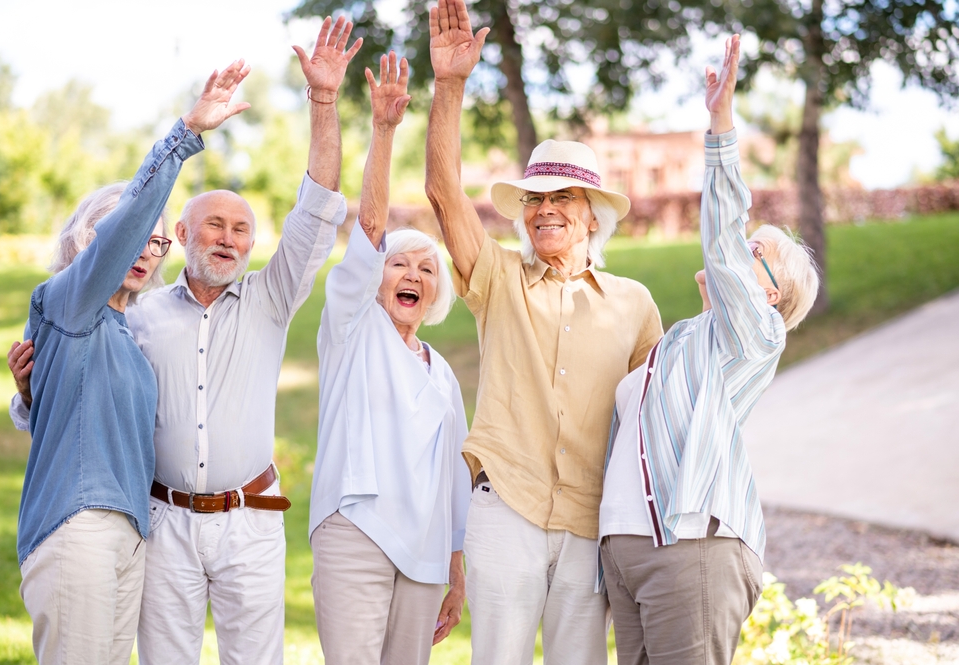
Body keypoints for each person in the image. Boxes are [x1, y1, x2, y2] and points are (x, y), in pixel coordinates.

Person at [8, 17, 360, 664]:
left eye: (242, 229)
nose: (229, 237)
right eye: (213, 225)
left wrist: (324, 102)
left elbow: (317, 207)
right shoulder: (131, 317)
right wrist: (32, 391)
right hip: (160, 521)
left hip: (250, 515)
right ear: (185, 234)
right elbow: (81, 400)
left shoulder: (269, 298)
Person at [424, 0, 663, 661]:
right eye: (535, 198)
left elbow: (654, 421)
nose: (546, 208)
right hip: (507, 508)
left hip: (592, 521)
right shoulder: (498, 279)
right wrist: (449, 87)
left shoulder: (635, 304)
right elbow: (444, 194)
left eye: (563, 198)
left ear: (593, 219)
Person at [9, 61, 249, 665]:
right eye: (129, 234)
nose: (145, 247)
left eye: (157, 240)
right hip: (78, 528)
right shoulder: (69, 296)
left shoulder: (122, 328)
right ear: (88, 239)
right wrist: (184, 135)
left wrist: (32, 395)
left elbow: (74, 417)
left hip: (129, 534)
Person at [597, 35, 820, 665]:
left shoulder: (754, 335)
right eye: (749, 244)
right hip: (630, 554)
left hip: (691, 550)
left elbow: (721, 238)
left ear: (771, 298)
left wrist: (719, 126)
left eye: (757, 255)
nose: (739, 252)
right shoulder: (682, 340)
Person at [309, 51, 470, 665]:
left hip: (427, 553)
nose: (412, 274)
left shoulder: (442, 372)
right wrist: (384, 132)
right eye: (399, 263)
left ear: (435, 292)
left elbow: (456, 480)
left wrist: (457, 571)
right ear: (375, 278)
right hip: (355, 531)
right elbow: (371, 225)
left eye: (427, 269)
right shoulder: (352, 328)